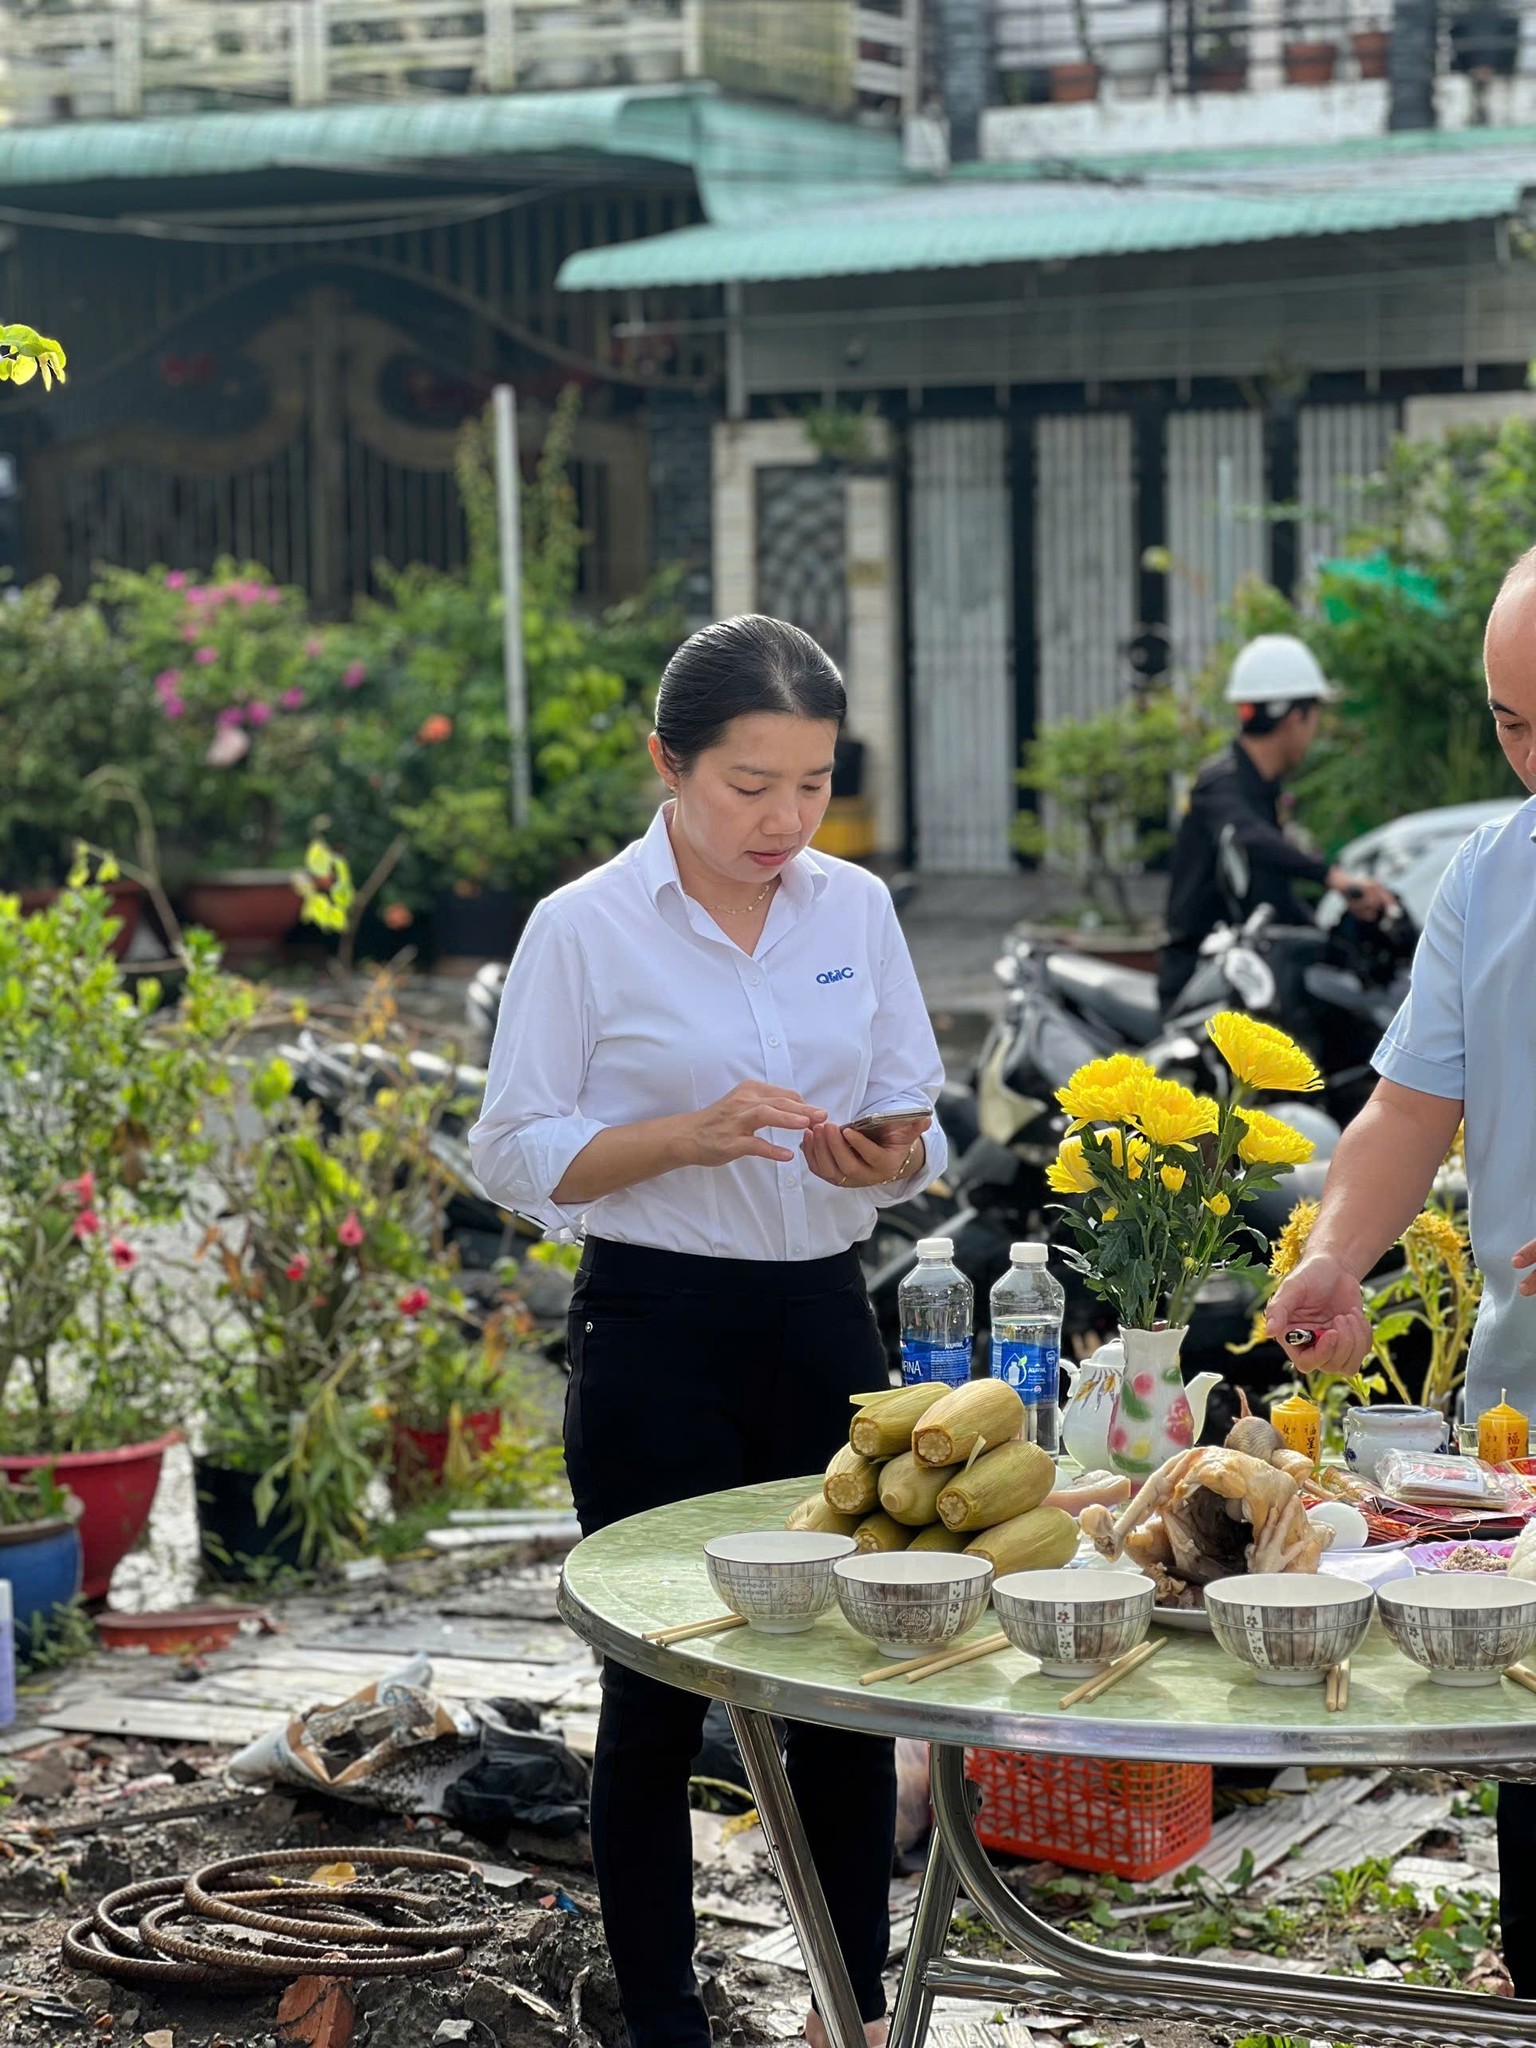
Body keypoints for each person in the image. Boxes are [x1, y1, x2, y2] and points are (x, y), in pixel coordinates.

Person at [468, 614, 948, 2048]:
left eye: (813, 782)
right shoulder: (584, 927)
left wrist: (885, 1156)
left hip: (825, 1319)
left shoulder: (853, 909)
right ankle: (665, 2016)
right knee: (656, 1687)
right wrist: (683, 1134)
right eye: (750, 784)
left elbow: (917, 1120)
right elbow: (511, 1151)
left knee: (852, 1676)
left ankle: (853, 2005)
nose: (784, 819)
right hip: (656, 1326)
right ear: (667, 764)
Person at [1266, 549, 1536, 1994]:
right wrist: (1333, 1255)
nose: (1534, 758)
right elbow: (1411, 1107)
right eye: (1512, 723)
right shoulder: (1494, 874)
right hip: (1525, 1407)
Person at [1158, 634, 1394, 1010]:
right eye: (1315, 717)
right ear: (1296, 717)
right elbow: (1250, 837)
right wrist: (1333, 877)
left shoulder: (1261, 790)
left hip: (1246, 982)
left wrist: (1329, 942)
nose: (1314, 730)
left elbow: (1273, 894)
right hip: (1200, 988)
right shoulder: (1221, 786)